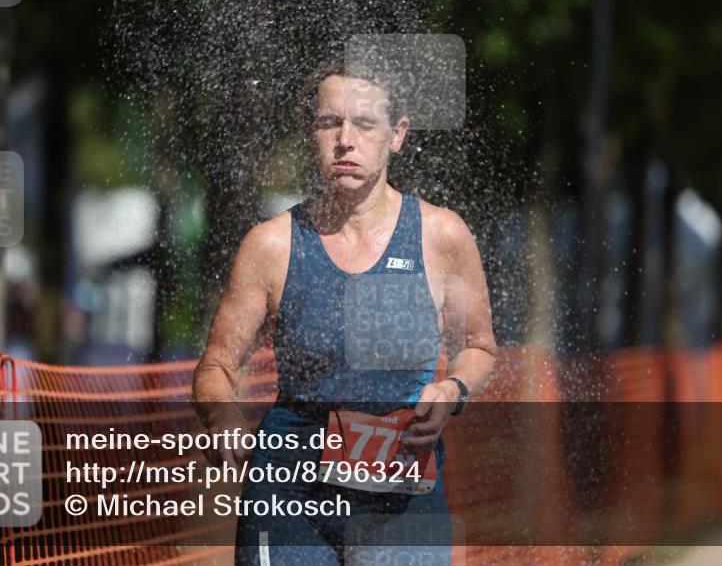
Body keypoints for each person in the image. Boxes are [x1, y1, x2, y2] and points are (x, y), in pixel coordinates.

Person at [193, 59, 497, 565]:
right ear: (310, 133)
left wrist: (452, 390)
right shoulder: (270, 246)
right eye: (329, 122)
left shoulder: (441, 236)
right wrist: (222, 414)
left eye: (364, 123)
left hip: (402, 487)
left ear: (396, 135)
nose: (345, 139)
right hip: (288, 492)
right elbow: (216, 366)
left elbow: (480, 348)